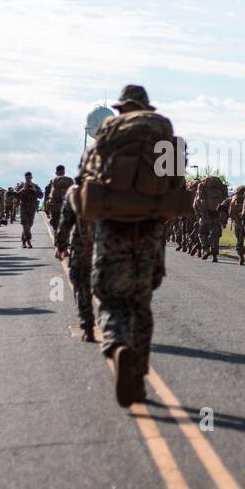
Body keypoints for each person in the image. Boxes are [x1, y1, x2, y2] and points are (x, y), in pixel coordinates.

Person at [82, 85, 184, 406]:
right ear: (146, 106)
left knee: (111, 298)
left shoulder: (110, 128)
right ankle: (138, 376)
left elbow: (88, 173)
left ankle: (117, 346)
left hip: (112, 225)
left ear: (123, 106)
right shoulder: (163, 127)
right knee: (141, 302)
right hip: (151, 224)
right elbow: (176, 178)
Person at [55, 172, 96, 342]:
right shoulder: (118, 190)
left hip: (83, 247)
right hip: (113, 248)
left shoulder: (75, 191)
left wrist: (61, 246)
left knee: (81, 286)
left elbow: (65, 223)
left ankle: (87, 325)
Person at [18, 172, 43, 248]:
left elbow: (41, 196)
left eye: (29, 178)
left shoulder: (35, 186)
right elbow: (16, 195)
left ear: (32, 177)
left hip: (32, 209)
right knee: (25, 225)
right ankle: (27, 241)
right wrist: (22, 189)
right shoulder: (21, 186)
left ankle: (24, 240)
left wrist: (34, 189)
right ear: (25, 178)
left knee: (29, 226)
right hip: (24, 208)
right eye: (27, 178)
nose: (28, 179)